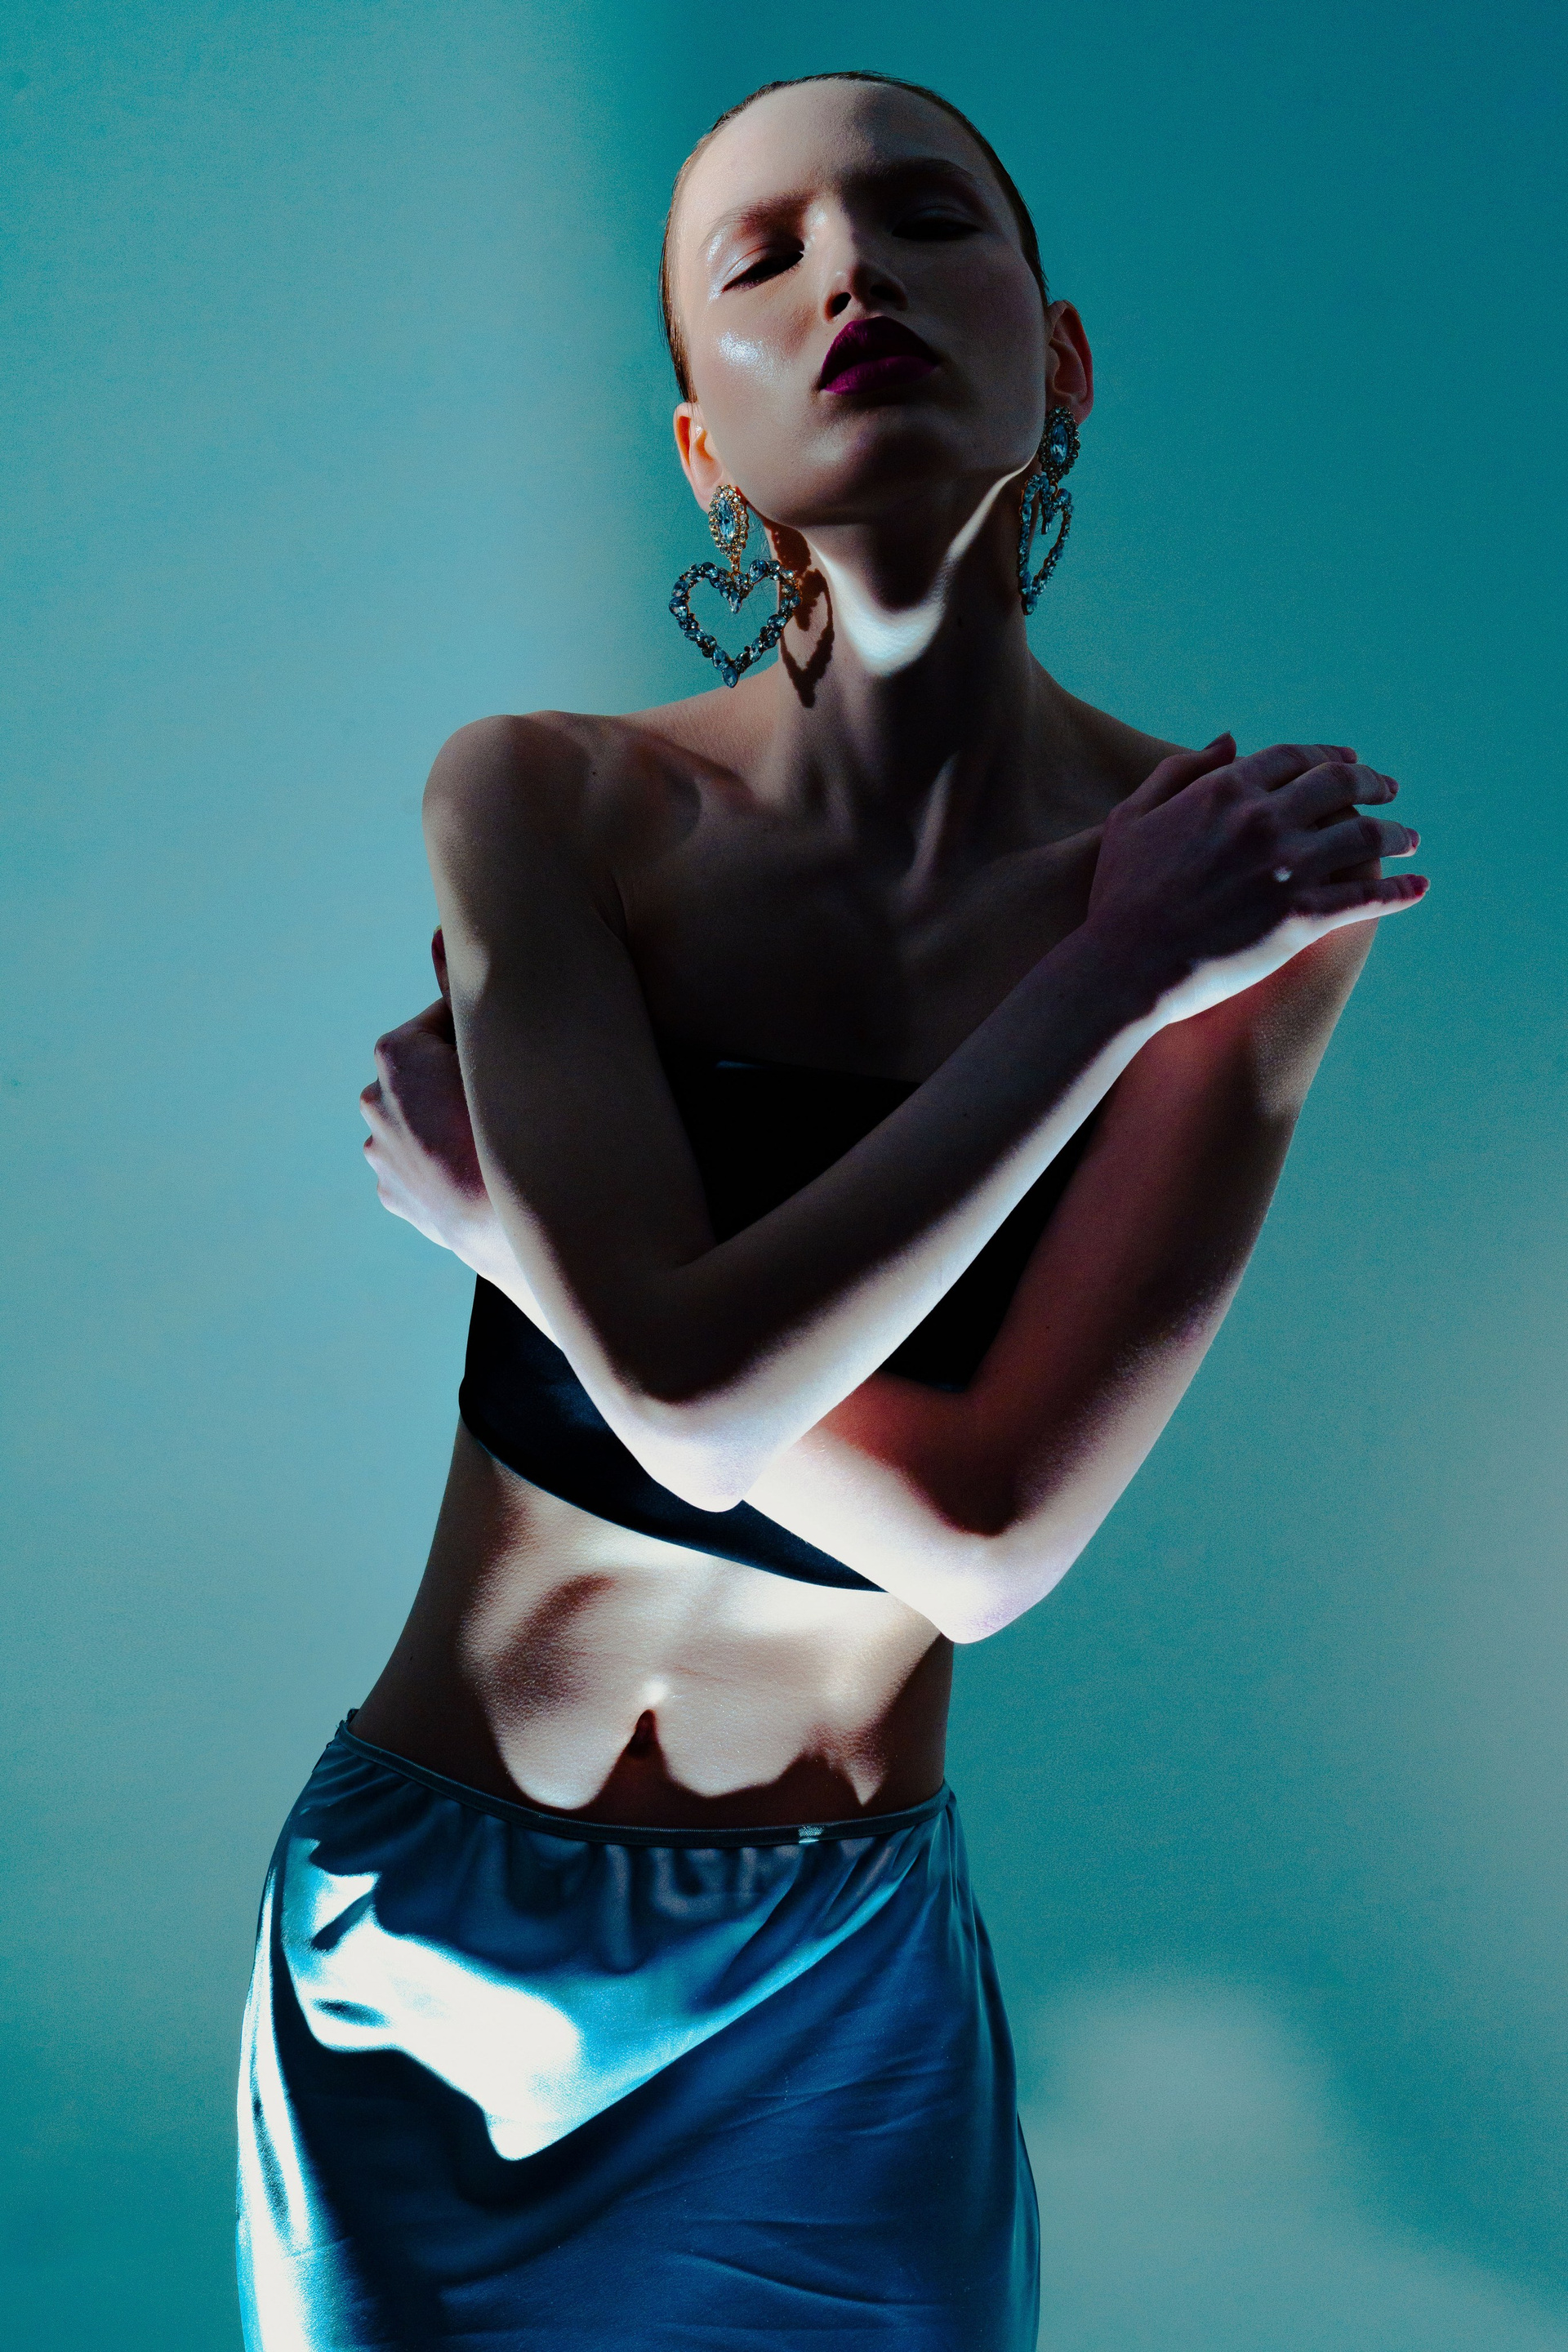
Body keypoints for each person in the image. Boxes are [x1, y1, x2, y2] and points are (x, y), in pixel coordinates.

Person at [235, 69, 1426, 2352]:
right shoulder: (546, 799)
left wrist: (527, 1253)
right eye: (760, 259)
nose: (851, 273)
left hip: (843, 1996)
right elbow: (688, 1406)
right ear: (705, 439)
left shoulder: (1239, 898)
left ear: (1060, 356)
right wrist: (1111, 977)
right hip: (423, 1968)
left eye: (921, 219)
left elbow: (983, 1546)